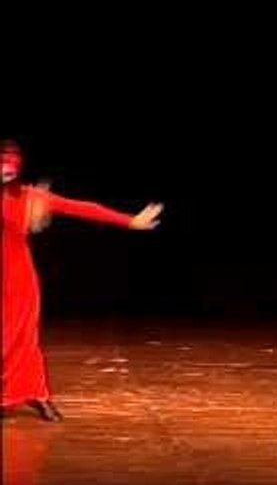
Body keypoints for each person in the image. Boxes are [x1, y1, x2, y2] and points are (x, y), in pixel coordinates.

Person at [1, 140, 163, 421]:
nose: (6, 171)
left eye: (10, 166)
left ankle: (36, 394)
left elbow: (82, 208)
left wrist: (129, 221)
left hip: (18, 277)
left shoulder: (30, 197)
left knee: (22, 336)